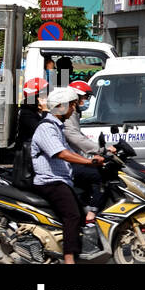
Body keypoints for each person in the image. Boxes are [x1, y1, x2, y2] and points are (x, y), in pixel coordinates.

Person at [30, 87, 105, 264]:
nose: (73, 109)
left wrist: (92, 157)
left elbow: (72, 152)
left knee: (80, 211)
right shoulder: (46, 128)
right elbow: (62, 154)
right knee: (72, 215)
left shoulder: (57, 127)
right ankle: (69, 258)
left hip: (62, 180)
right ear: (61, 107)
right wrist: (89, 162)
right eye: (71, 105)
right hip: (50, 181)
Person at [63, 80, 114, 223]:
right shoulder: (67, 116)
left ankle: (85, 204)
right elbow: (75, 137)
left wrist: (98, 149)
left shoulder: (73, 115)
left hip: (72, 158)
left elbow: (79, 136)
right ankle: (91, 212)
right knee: (98, 176)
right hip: (66, 162)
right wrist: (100, 149)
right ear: (75, 97)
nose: (86, 102)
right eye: (85, 98)